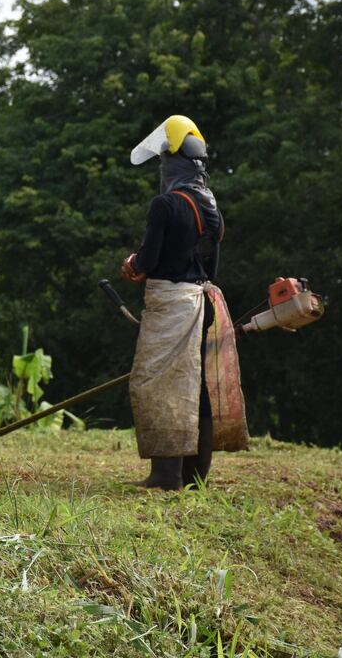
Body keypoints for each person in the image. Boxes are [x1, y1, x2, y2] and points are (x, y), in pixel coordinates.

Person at [122, 114, 245, 490]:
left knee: (157, 383)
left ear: (172, 164)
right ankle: (196, 477)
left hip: (171, 303)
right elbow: (212, 265)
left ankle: (165, 476)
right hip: (204, 300)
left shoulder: (166, 205)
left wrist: (133, 264)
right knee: (199, 384)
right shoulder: (210, 206)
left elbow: (148, 261)